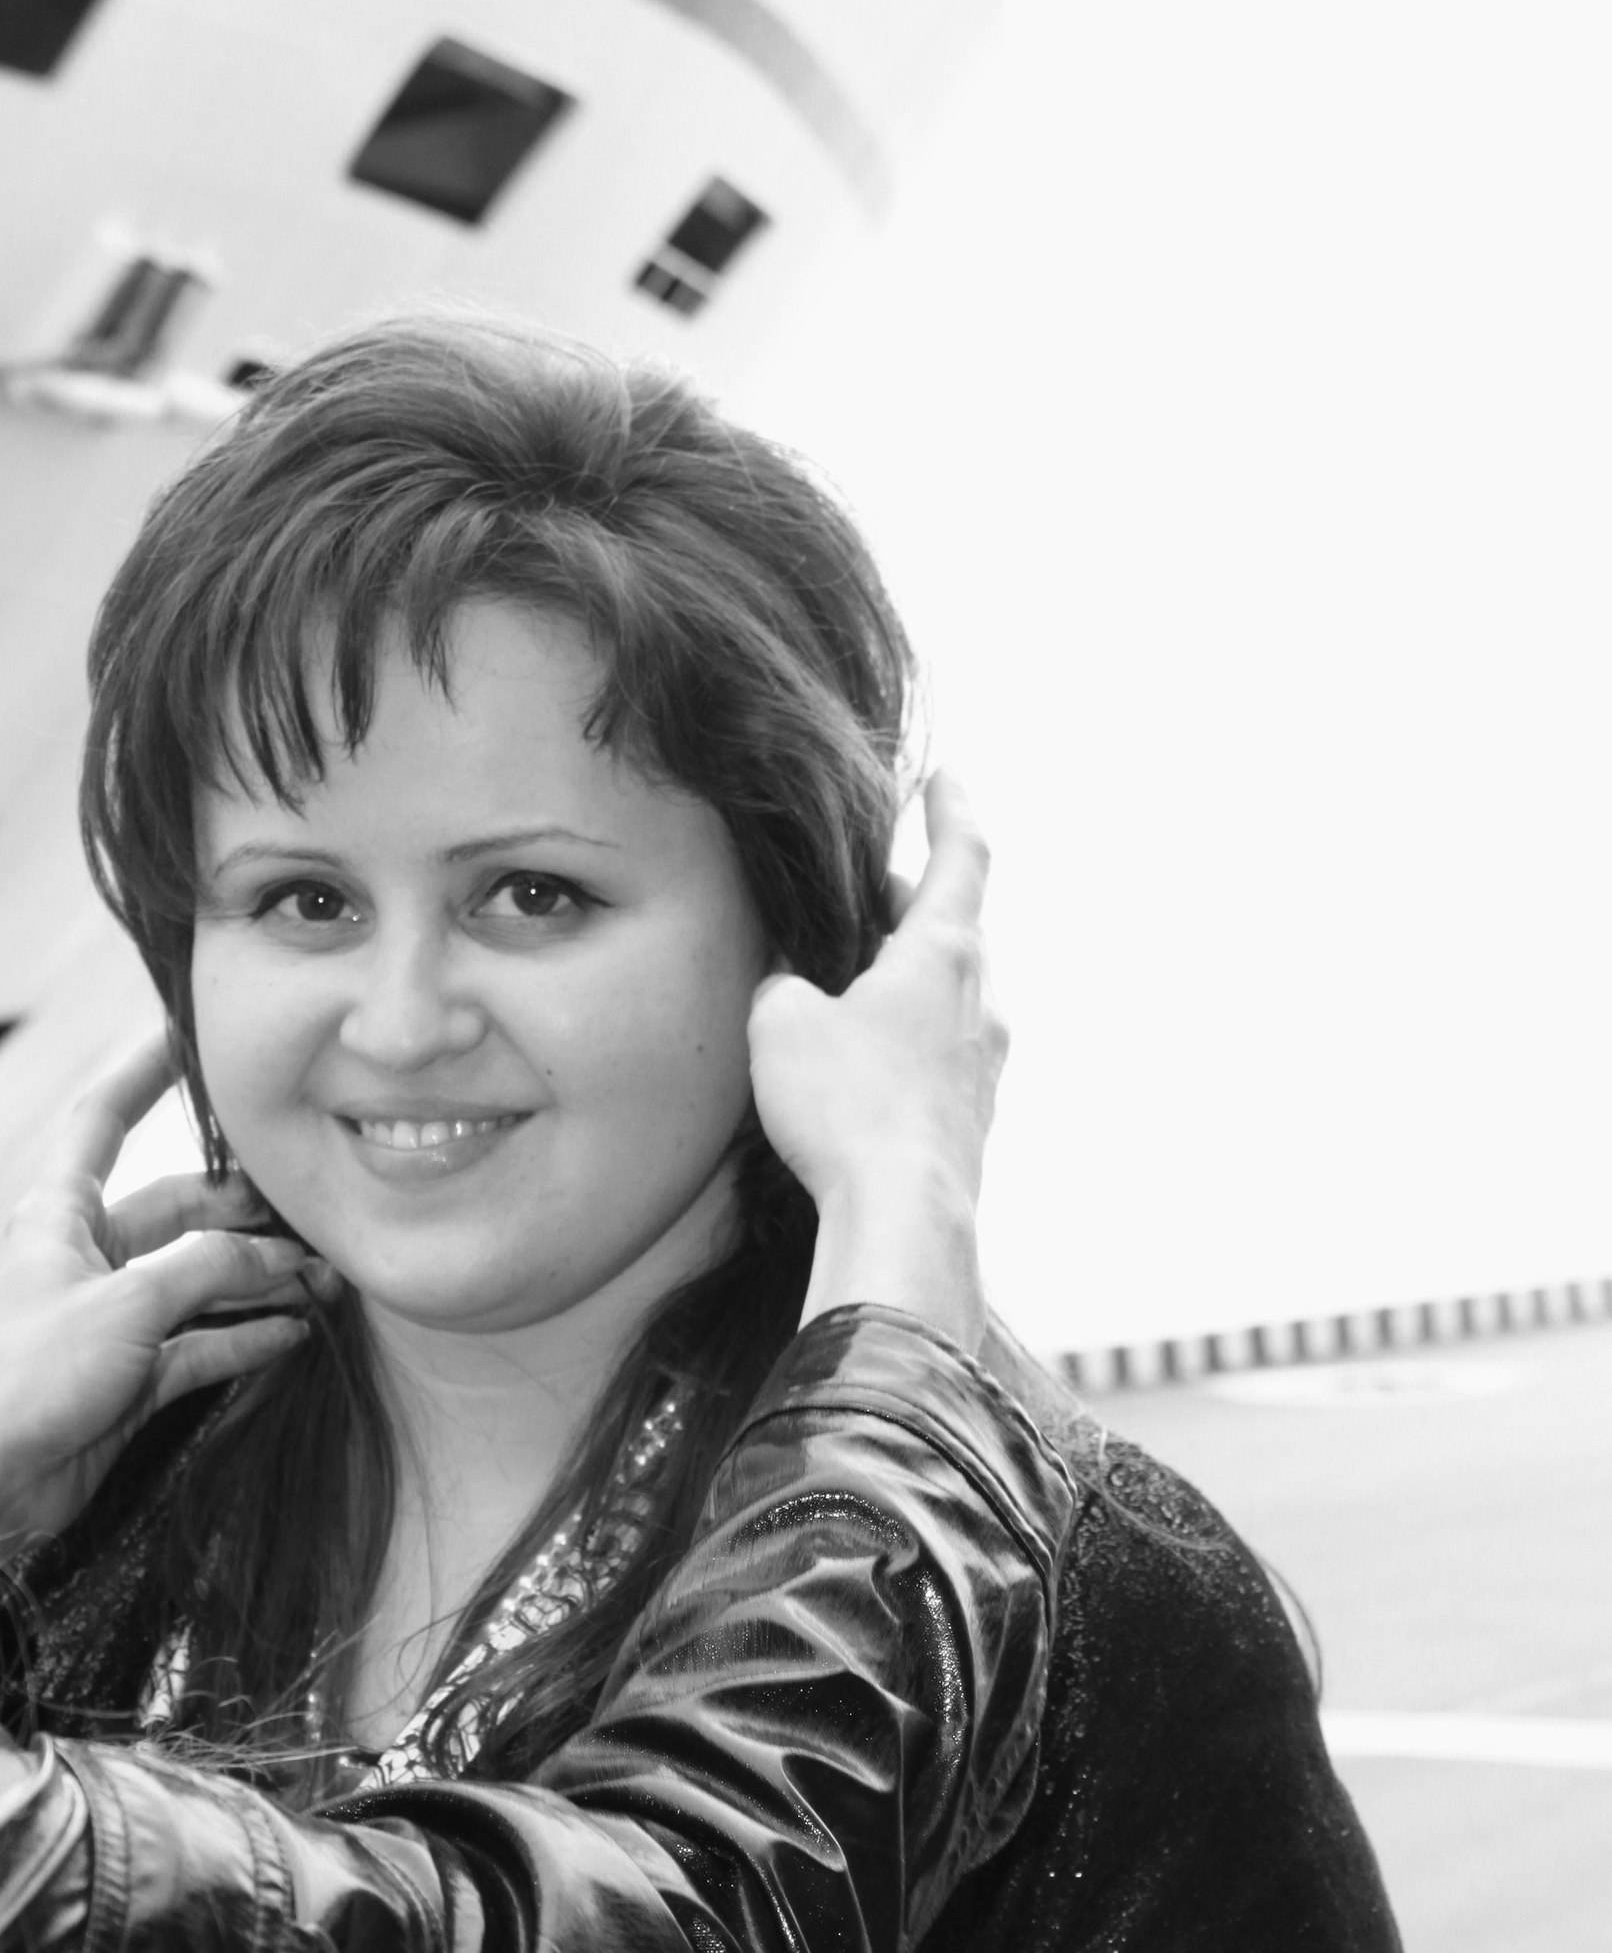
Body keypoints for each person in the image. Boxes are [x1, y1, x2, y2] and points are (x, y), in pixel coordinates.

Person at [0, 317, 1399, 1949]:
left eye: (534, 894)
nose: (399, 1021)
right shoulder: (80, 1514)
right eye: (303, 900)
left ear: (798, 938)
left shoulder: (1085, 1605)